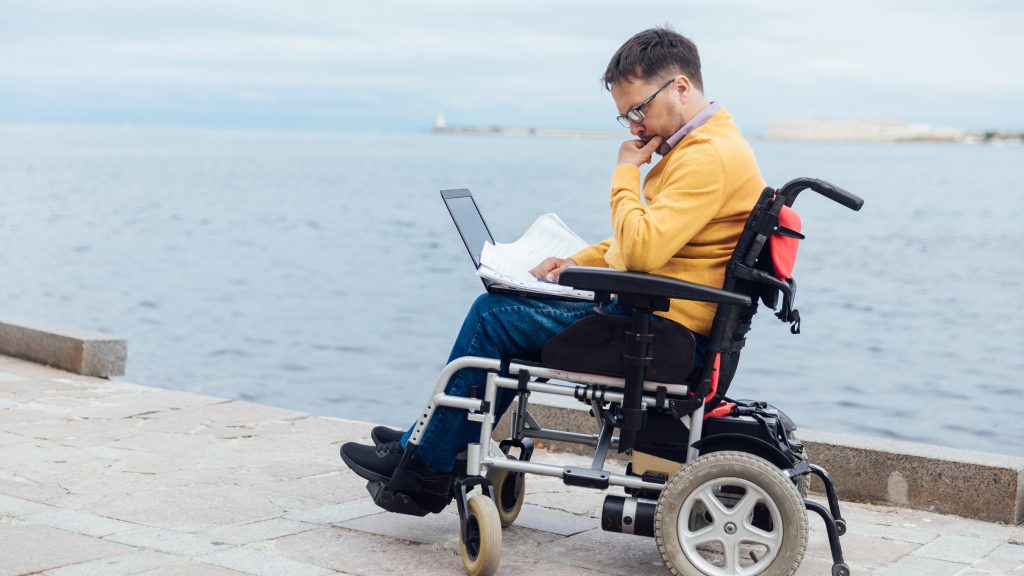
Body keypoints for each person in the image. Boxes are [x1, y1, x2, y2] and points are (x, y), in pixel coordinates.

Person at [340, 26, 766, 511]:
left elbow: (643, 248)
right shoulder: (712, 144)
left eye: (637, 110)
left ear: (682, 87)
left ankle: (424, 473)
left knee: (492, 315)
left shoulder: (706, 156)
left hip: (664, 335)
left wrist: (625, 172)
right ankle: (430, 444)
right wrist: (578, 262)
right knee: (506, 309)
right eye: (626, 116)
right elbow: (653, 240)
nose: (633, 127)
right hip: (666, 319)